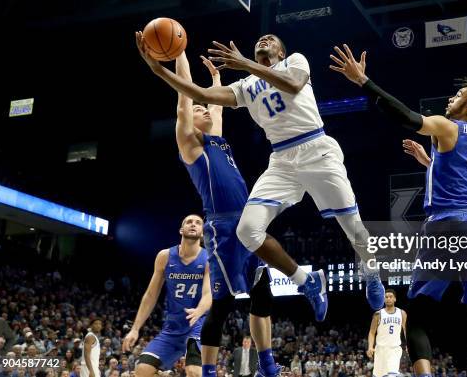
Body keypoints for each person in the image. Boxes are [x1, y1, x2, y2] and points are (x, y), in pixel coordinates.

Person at [134, 32, 386, 313]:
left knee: (353, 227)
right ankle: (308, 282)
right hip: (281, 160)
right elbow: (201, 94)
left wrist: (246, 65)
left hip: (316, 148)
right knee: (247, 230)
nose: (264, 40)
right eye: (260, 39)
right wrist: (157, 69)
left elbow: (293, 85)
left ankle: (372, 272)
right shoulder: (245, 85)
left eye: (272, 39)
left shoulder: (294, 61)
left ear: (280, 50)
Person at [329, 44, 467, 377]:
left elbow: (406, 116)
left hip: (446, 226)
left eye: (457, 95)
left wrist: (364, 81)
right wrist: (430, 162)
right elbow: (462, 178)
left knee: (417, 318)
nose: (451, 99)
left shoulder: (450, 128)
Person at [139, 51, 287, 377]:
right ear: (188, 121)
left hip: (247, 221)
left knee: (262, 293)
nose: (202, 108)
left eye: (203, 106)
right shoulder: (189, 144)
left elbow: (217, 108)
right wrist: (179, 55)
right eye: (197, 108)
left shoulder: (217, 141)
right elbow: (183, 97)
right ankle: (207, 372)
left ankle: (268, 367)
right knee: (221, 304)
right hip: (221, 227)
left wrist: (218, 81)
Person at [122, 214, 211, 377]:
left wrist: (199, 311)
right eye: (189, 222)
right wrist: (135, 329)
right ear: (181, 229)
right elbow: (150, 295)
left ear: (202, 232)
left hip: (198, 325)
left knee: (194, 371)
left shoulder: (208, 259)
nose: (193, 224)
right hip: (173, 327)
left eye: (198, 223)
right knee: (142, 370)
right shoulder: (165, 256)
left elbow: (208, 294)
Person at [367, 289, 406, 377]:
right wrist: (370, 347)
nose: (388, 299)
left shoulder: (402, 313)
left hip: (394, 349)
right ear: (384, 299)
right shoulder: (378, 314)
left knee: (392, 374)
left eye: (390, 297)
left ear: (395, 299)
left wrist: (409, 345)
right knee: (378, 375)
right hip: (380, 349)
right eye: (386, 297)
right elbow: (372, 332)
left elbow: (406, 330)